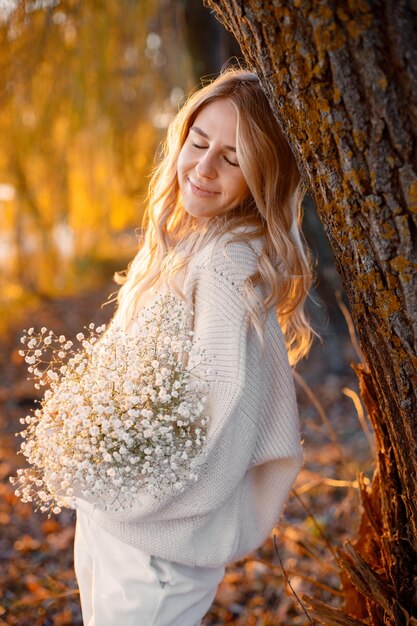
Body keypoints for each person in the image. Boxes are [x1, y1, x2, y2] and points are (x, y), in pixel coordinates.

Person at [73, 66, 318, 626]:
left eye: (233, 159)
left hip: (157, 544)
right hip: (119, 524)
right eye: (199, 143)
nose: (204, 168)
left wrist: (146, 508)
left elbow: (221, 415)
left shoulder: (231, 262)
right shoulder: (191, 242)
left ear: (265, 175)